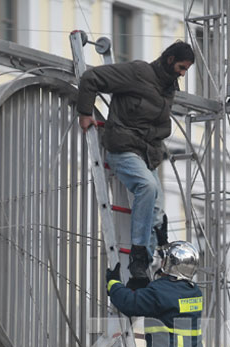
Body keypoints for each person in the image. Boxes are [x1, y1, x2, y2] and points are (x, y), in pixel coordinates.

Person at [77, 41, 195, 288]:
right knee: (147, 188)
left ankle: (142, 276)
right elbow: (91, 78)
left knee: (157, 213)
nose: (183, 73)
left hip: (147, 154)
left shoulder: (168, 88)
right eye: (182, 67)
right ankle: (138, 257)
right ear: (170, 59)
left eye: (187, 70)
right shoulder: (139, 73)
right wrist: (85, 111)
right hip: (123, 148)